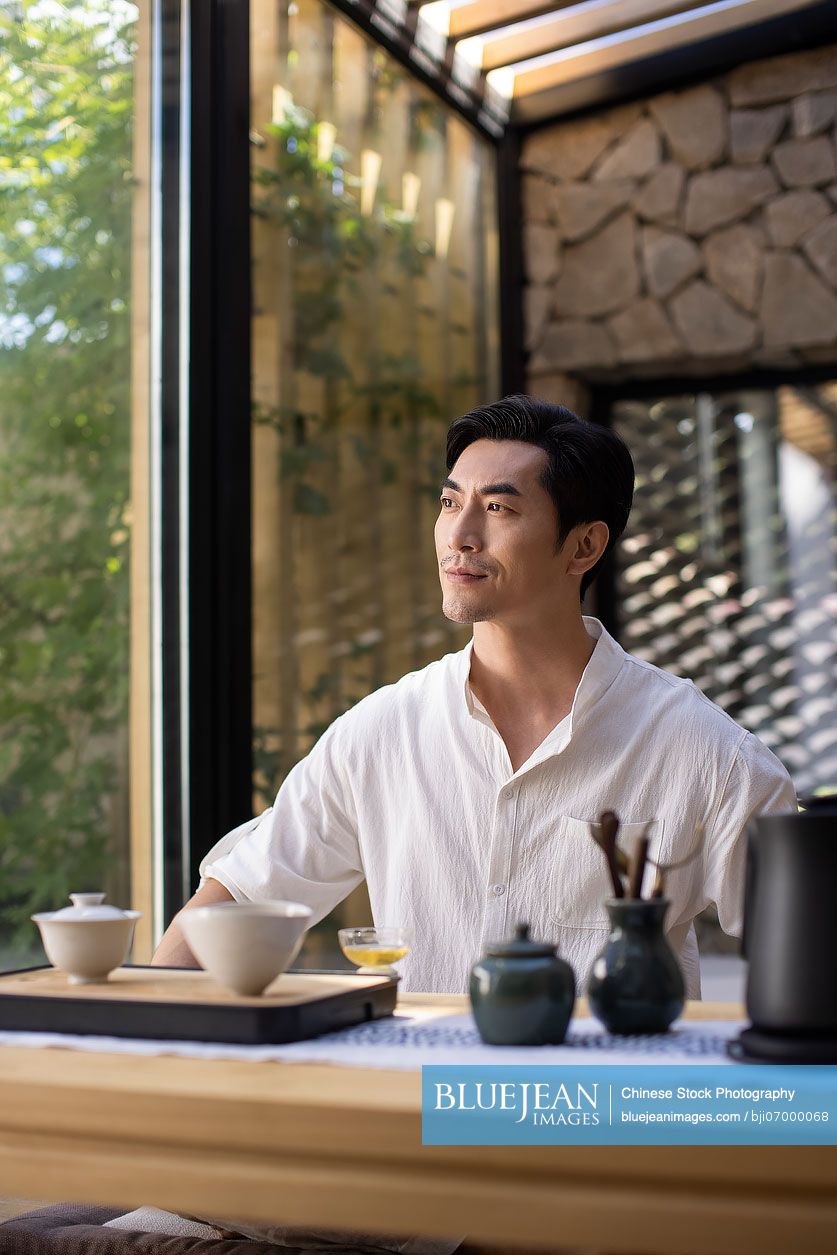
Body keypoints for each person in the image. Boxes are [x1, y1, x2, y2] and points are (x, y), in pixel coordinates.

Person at [153, 393, 796, 998]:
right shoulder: (383, 732)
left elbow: (809, 949)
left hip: (605, 1085)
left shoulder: (705, 753)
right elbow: (231, 905)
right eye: (448, 502)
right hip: (419, 1082)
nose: (458, 534)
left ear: (584, 546)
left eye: (498, 509)